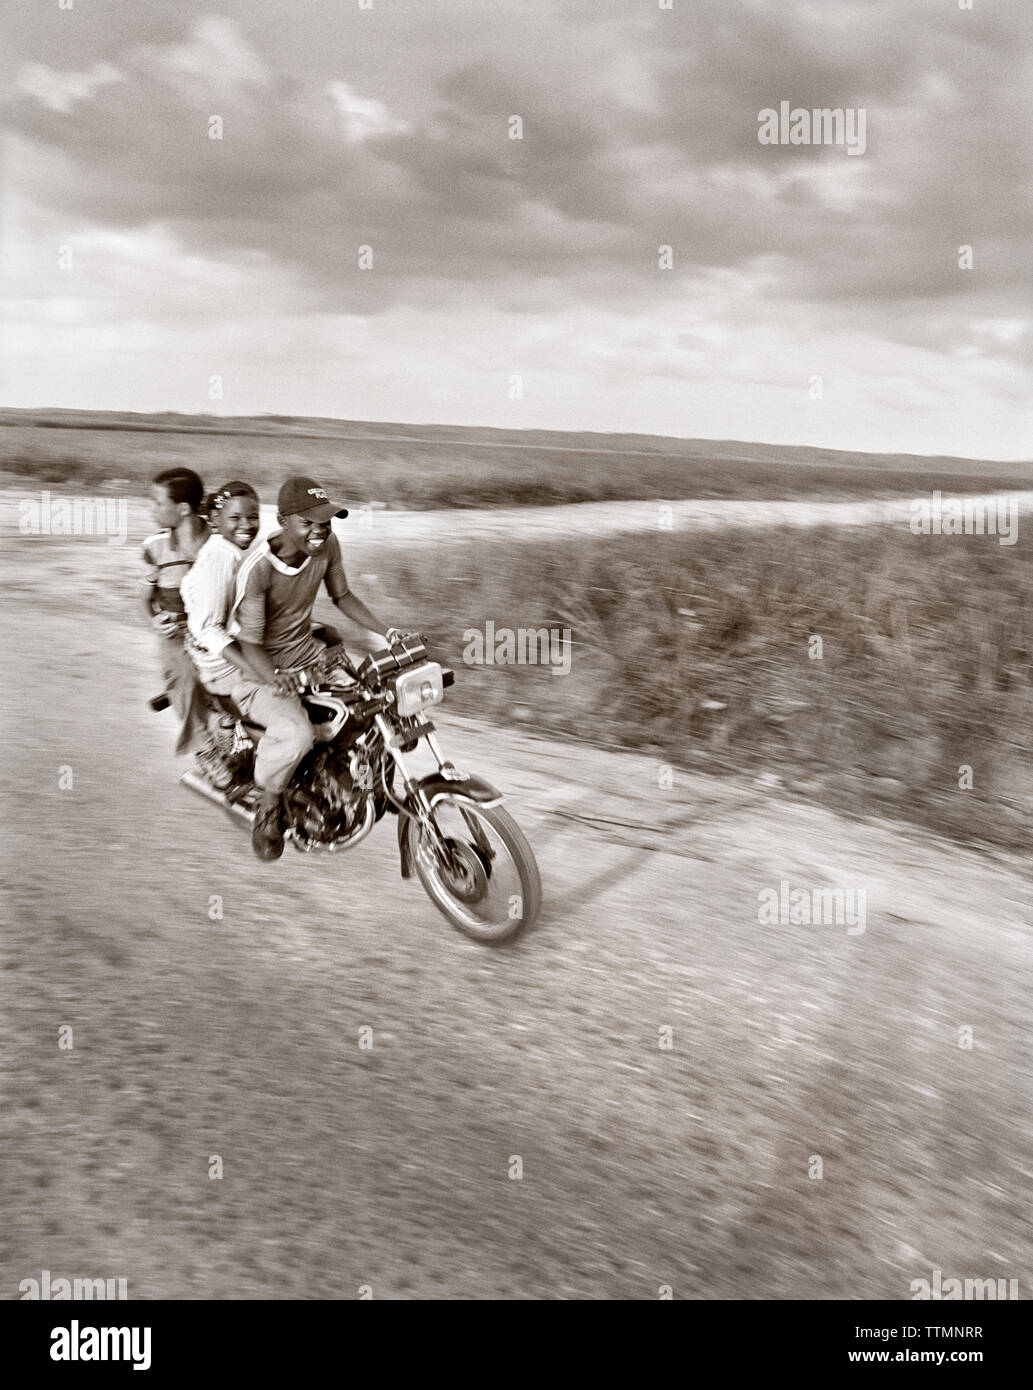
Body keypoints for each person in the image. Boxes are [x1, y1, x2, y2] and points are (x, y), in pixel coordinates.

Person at [230, 475, 402, 861]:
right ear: (284, 521)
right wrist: (277, 678)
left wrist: (388, 633)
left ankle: (366, 786)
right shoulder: (258, 570)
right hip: (261, 672)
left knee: (377, 706)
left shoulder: (327, 546)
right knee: (297, 733)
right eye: (307, 523)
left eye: (324, 522)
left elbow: (341, 595)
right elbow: (250, 645)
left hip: (312, 659)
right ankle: (269, 806)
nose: (318, 531)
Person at [180, 481, 270, 783]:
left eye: (253, 516)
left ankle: (232, 729)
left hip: (223, 656)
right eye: (236, 518)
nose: (247, 525)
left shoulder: (230, 551)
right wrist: (250, 667)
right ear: (215, 521)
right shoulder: (221, 554)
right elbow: (207, 628)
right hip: (220, 666)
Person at [142, 467, 210, 753]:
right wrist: (155, 621)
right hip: (177, 634)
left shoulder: (218, 542)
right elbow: (144, 598)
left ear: (183, 508)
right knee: (186, 675)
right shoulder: (155, 547)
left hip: (215, 629)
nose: (152, 509)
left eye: (158, 502)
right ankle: (205, 752)